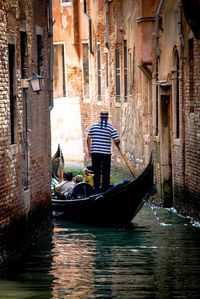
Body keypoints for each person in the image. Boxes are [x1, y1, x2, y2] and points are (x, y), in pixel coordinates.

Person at [87, 110, 120, 193]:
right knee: (106, 172)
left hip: (95, 152)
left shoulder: (93, 126)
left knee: (96, 171)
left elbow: (88, 139)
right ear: (107, 117)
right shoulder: (111, 127)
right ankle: (105, 189)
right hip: (105, 153)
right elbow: (116, 140)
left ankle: (96, 189)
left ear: (100, 117)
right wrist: (117, 143)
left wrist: (89, 151)